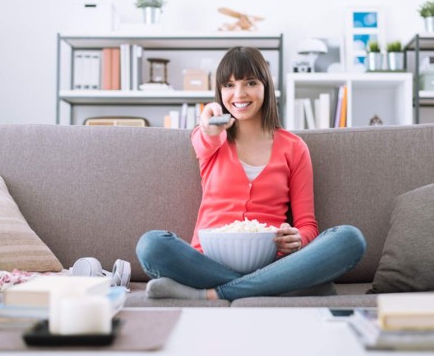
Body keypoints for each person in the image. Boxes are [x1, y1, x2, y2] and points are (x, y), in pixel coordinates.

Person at [136, 47, 366, 301]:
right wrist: (209, 128)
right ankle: (286, 287)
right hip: (206, 262)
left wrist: (298, 239)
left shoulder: (294, 147)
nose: (239, 94)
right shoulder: (212, 138)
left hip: (272, 262)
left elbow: (307, 225)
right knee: (151, 244)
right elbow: (205, 139)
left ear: (266, 86)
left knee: (349, 239)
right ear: (220, 92)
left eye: (250, 83)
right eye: (229, 85)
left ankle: (213, 294)